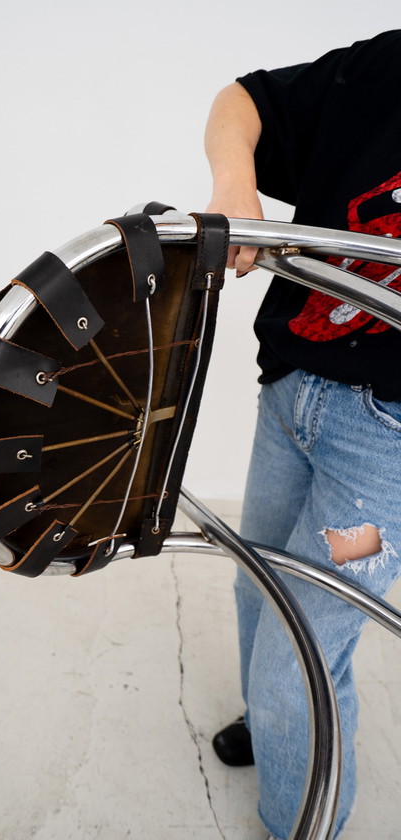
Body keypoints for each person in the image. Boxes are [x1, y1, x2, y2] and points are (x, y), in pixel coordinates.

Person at [203, 30, 401, 840]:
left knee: (304, 658)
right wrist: (235, 181)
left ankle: (300, 818)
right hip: (293, 395)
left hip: (384, 451)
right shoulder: (387, 67)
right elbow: (242, 103)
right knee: (258, 581)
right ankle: (275, 728)